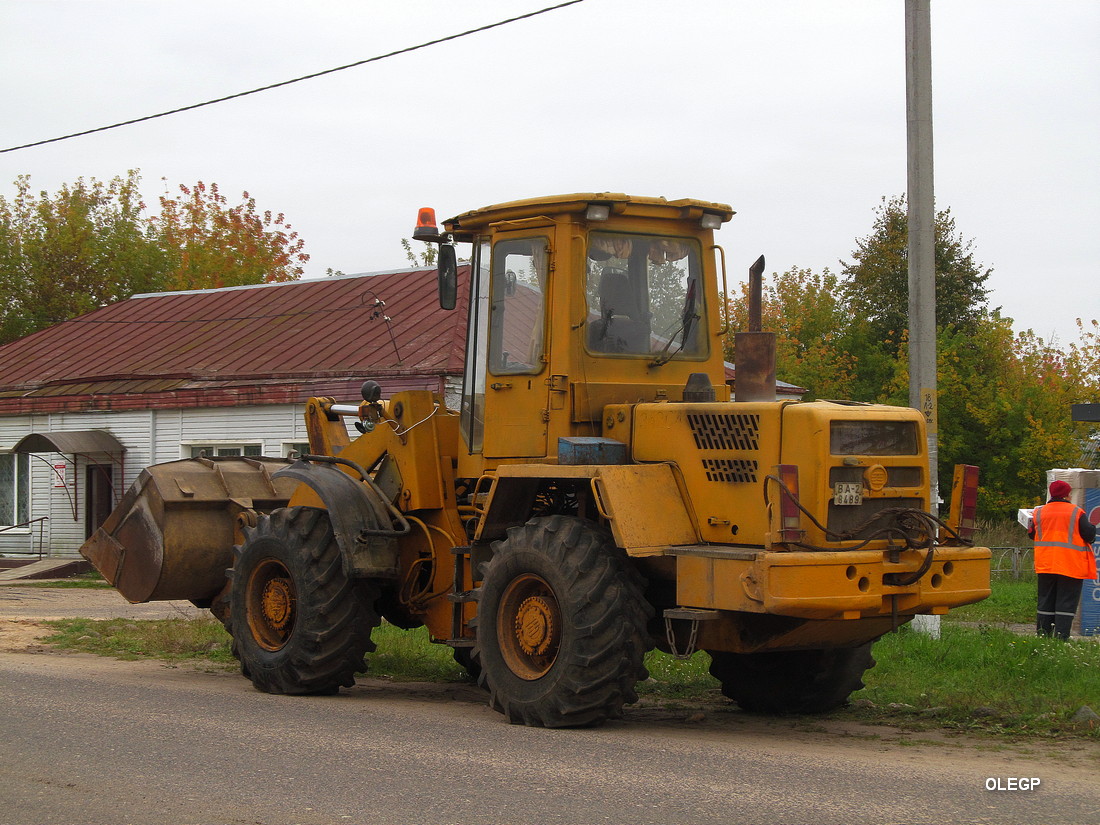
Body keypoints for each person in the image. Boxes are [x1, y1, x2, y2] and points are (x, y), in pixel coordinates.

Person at [1027, 480, 1098, 639]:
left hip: (1045, 564)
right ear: (1067, 494)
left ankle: (1043, 636)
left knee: (1045, 601)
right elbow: (1089, 534)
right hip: (1069, 564)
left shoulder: (1039, 512)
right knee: (1066, 603)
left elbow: (1031, 533)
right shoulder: (1076, 512)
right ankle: (1061, 637)